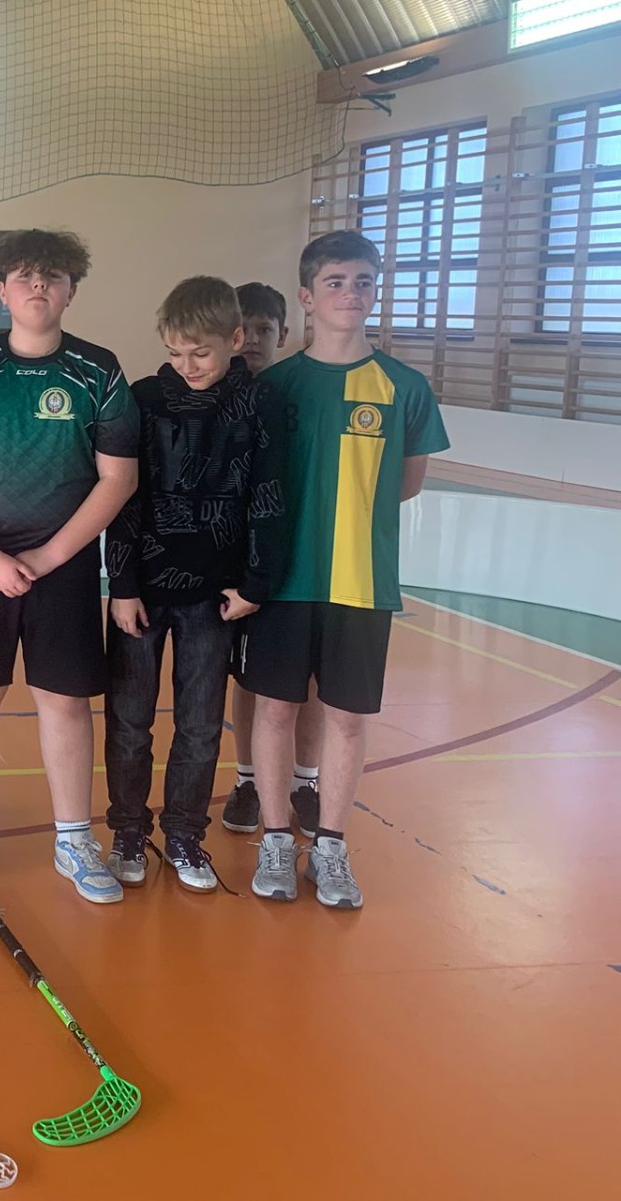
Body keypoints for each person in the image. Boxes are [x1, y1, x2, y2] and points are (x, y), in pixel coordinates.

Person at [0, 229, 139, 901]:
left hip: (62, 570)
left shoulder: (98, 371)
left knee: (65, 703)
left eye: (51, 276)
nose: (37, 286)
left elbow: (118, 478)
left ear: (72, 290)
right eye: (23, 276)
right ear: (0, 290)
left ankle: (74, 838)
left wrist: (47, 556)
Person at [242, 231, 449, 909]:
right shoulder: (274, 387)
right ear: (306, 297)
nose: (351, 293)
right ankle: (277, 838)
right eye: (335, 282)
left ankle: (329, 845)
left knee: (349, 720)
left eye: (363, 281)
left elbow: (406, 484)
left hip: (362, 583)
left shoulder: (405, 388)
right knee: (275, 710)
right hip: (282, 581)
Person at [102, 277, 286, 892]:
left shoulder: (260, 402)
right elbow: (124, 497)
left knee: (201, 726)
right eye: (176, 353)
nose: (188, 365)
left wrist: (255, 584)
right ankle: (128, 831)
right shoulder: (144, 398)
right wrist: (121, 584)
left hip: (216, 597)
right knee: (129, 721)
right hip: (142, 592)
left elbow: (269, 495)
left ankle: (184, 835)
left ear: (235, 338)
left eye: (201, 353)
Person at [222, 280, 324, 836]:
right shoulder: (218, 389)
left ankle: (305, 781)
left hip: (300, 559)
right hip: (235, 563)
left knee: (308, 678)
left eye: (266, 329)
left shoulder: (293, 388)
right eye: (246, 328)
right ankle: (248, 779)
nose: (255, 339)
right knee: (248, 676)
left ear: (284, 334)